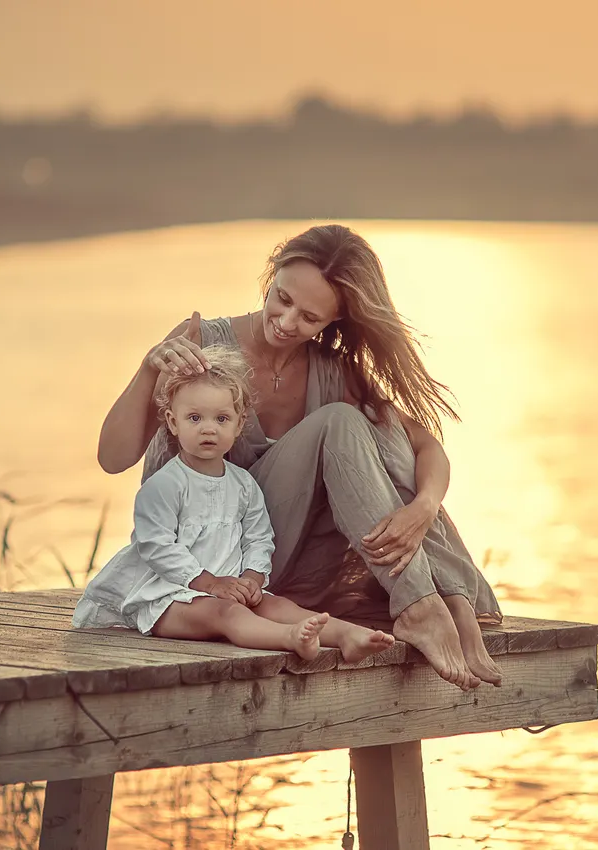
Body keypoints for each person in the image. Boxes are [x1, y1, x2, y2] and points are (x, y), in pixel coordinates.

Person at [97, 224, 503, 690]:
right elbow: (113, 458)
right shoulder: (202, 342)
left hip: (275, 569)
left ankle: (444, 603)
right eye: (282, 299)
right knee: (343, 421)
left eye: (309, 317)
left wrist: (424, 507)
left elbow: (423, 445)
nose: (287, 323)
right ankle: (428, 603)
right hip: (205, 574)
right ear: (270, 277)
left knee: (383, 436)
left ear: (333, 323)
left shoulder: (331, 370)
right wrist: (151, 368)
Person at [74, 345, 397, 664]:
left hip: (227, 588)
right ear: (173, 423)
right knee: (227, 613)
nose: (209, 428)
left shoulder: (243, 485)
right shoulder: (165, 486)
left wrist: (252, 579)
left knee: (277, 606)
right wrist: (210, 584)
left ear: (239, 424)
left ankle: (347, 635)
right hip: (167, 599)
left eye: (222, 418)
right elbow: (156, 547)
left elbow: (258, 537)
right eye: (195, 418)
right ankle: (290, 639)